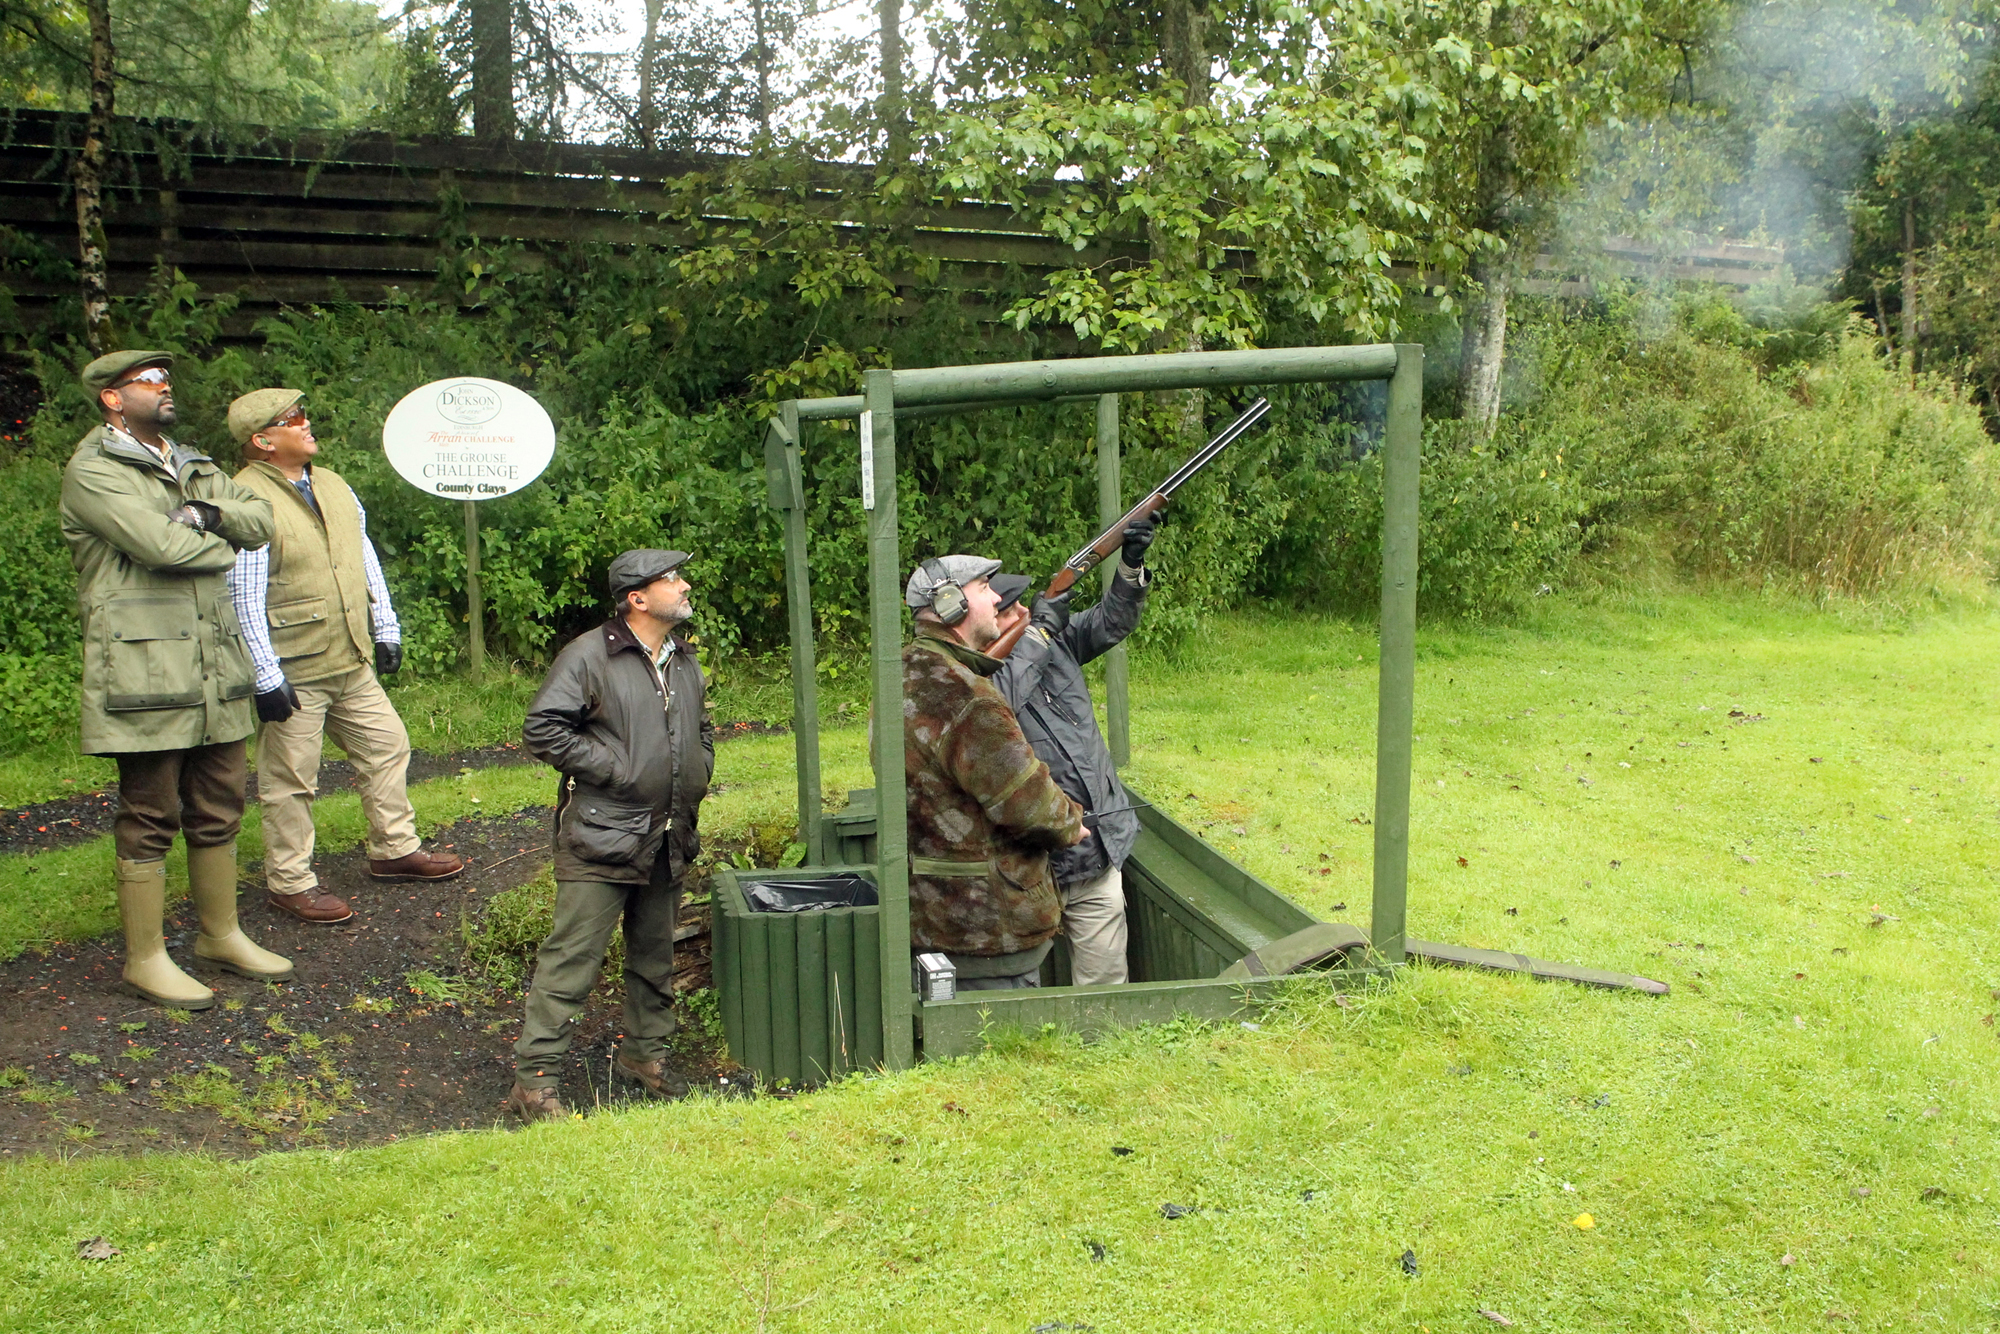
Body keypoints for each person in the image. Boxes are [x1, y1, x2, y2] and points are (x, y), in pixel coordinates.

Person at [60, 350, 291, 1009]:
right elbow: (163, 547)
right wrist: (218, 536)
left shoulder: (191, 459)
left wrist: (209, 515)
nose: (166, 389)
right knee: (150, 811)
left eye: (166, 380)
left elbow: (260, 520)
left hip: (214, 664)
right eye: (150, 382)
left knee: (220, 801)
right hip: (144, 666)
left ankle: (220, 934)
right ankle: (146, 957)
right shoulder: (94, 471)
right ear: (112, 398)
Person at [226, 389, 464, 925]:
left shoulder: (330, 483)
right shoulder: (245, 500)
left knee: (387, 746)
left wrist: (386, 625)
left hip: (349, 657)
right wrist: (264, 675)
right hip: (294, 667)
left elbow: (363, 554)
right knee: (291, 780)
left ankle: (393, 849)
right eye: (293, 419)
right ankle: (289, 882)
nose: (307, 424)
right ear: (263, 441)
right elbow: (241, 593)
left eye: (304, 414)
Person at [506, 549, 714, 1121]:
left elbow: (702, 729)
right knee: (572, 960)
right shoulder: (590, 655)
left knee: (655, 957)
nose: (684, 585)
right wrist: (616, 767)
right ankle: (535, 1082)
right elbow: (543, 728)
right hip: (602, 837)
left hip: (669, 833)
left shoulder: (683, 660)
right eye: (671, 578)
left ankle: (645, 1058)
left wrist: (699, 768)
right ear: (637, 597)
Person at [991, 515, 1158, 986]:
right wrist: (1037, 636)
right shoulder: (978, 678)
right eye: (1011, 609)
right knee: (1015, 1003)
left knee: (1104, 993)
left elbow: (1112, 621)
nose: (1024, 612)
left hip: (1094, 853)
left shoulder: (1055, 641)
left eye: (1026, 605)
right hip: (1024, 871)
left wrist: (1130, 563)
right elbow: (1000, 699)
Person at [904, 555, 1085, 991]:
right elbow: (1030, 804)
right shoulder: (967, 697)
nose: (998, 597)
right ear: (951, 604)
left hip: (932, 914)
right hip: (987, 931)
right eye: (985, 588)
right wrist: (1072, 824)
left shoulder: (905, 670)